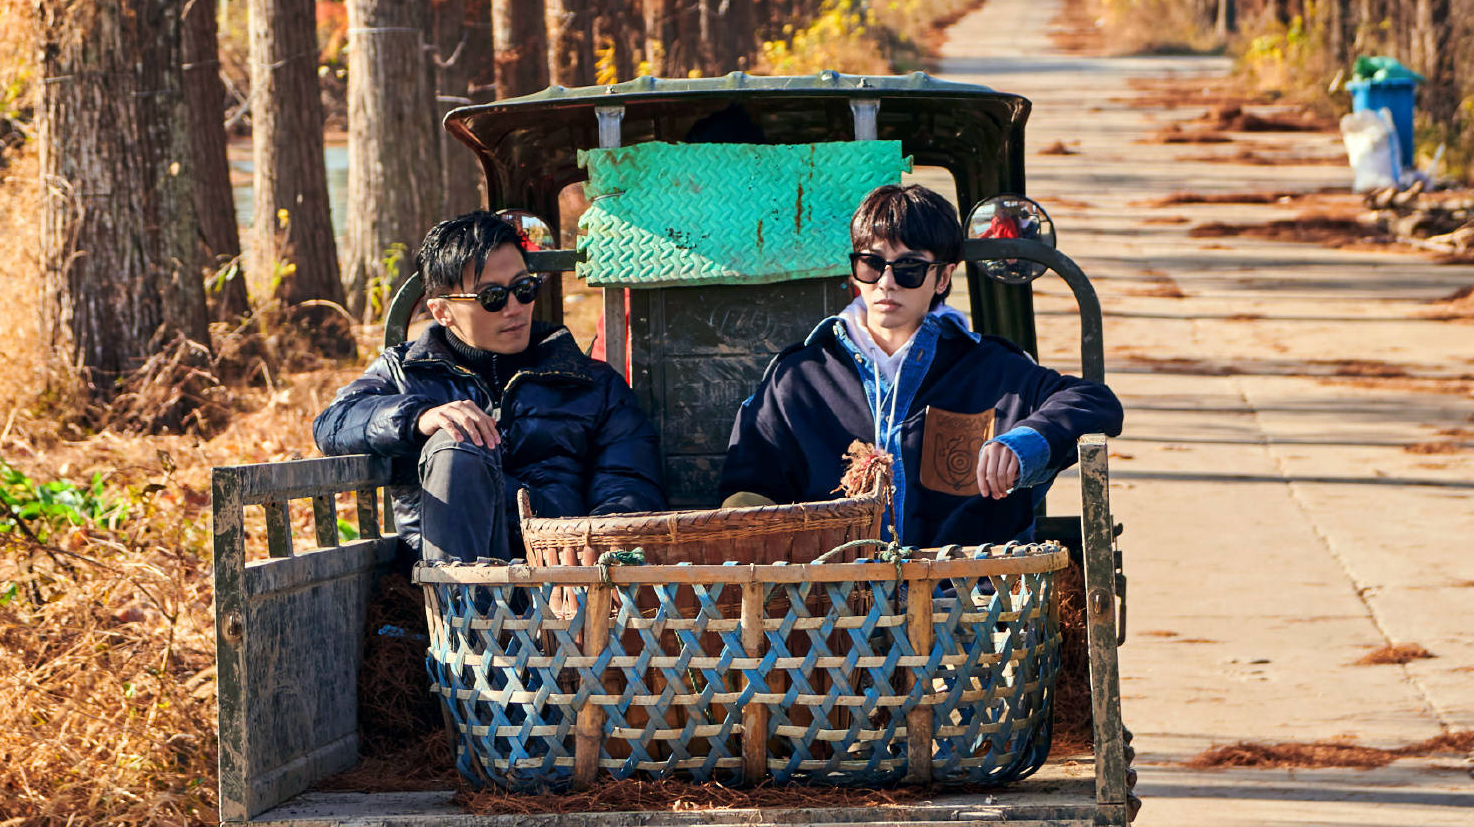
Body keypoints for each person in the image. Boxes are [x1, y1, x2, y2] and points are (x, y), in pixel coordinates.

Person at [716, 182, 1122, 548]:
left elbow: (1094, 401)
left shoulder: (990, 368)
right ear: (855, 272)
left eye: (909, 269)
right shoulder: (799, 377)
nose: (886, 283)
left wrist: (1022, 442)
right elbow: (750, 484)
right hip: (828, 611)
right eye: (871, 265)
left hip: (968, 606)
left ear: (943, 278)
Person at [313, 208, 666, 560]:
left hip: (562, 580)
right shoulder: (406, 373)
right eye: (493, 297)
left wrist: (601, 539)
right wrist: (421, 418)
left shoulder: (593, 383)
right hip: (448, 584)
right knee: (455, 444)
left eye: (524, 289)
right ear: (441, 311)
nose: (515, 308)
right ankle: (464, 612)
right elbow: (333, 423)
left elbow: (627, 480)